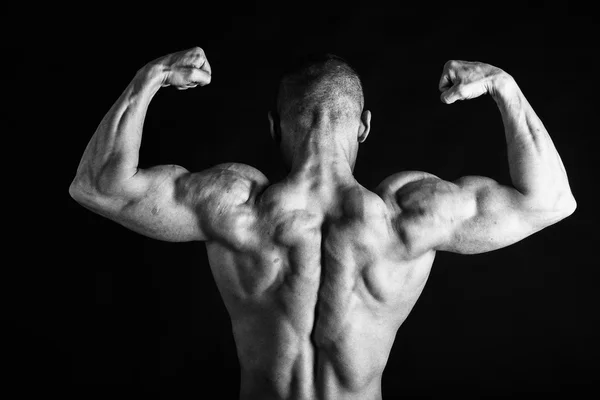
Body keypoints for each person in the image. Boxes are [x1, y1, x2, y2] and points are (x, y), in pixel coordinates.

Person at [69, 47, 576, 400]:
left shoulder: (233, 205)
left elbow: (96, 186)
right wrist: (501, 86)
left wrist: (149, 78)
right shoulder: (408, 216)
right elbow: (550, 200)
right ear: (364, 125)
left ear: (274, 126)